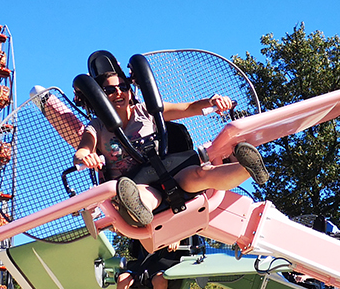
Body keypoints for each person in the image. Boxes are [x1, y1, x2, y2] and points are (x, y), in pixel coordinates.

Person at [73, 70, 269, 227]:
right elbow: (82, 151)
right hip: (136, 182)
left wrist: (212, 102)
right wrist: (86, 158)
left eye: (122, 87)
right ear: (100, 98)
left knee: (202, 174)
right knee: (143, 195)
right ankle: (140, 211)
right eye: (110, 90)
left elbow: (189, 108)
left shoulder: (146, 111)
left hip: (167, 170)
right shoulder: (97, 126)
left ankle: (248, 169)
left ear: (130, 90)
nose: (118, 93)